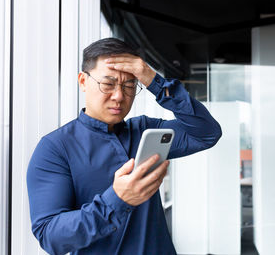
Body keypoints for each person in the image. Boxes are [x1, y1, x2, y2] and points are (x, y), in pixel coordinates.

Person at [27, 37, 222, 255]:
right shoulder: (55, 148)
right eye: (108, 84)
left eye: (129, 85)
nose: (119, 96)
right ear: (83, 81)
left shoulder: (145, 131)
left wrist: (153, 81)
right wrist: (116, 200)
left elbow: (207, 133)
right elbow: (50, 236)